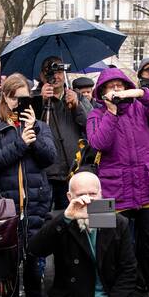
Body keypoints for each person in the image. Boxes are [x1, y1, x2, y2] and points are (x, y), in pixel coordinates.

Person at [86, 66, 149, 297]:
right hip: (109, 189)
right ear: (101, 91)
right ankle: (109, 292)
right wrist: (111, 114)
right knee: (107, 245)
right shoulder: (96, 114)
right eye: (110, 86)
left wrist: (141, 93)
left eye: (120, 85)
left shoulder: (141, 108)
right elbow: (99, 143)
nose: (116, 89)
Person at [0, 72, 56, 297]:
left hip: (36, 205)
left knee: (35, 265)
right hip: (7, 206)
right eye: (14, 97)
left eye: (24, 98)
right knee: (9, 265)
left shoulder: (41, 126)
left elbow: (50, 158)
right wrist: (20, 142)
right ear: (5, 97)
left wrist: (33, 136)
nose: (19, 103)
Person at [34, 55, 90, 211]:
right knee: (45, 220)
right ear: (42, 76)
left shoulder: (76, 96)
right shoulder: (35, 98)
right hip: (46, 171)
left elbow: (90, 127)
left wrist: (77, 106)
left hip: (72, 170)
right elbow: (31, 128)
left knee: (72, 218)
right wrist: (41, 101)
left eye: (59, 71)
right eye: (51, 72)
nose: (56, 76)